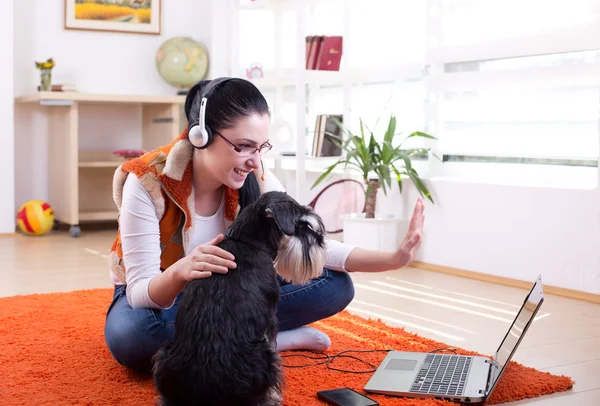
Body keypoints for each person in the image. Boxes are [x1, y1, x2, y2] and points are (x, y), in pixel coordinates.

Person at [103, 77, 425, 374]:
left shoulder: (254, 175)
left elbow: (315, 247)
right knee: (134, 335)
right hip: (165, 300)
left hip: (232, 294)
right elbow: (140, 292)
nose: (255, 160)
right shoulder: (146, 182)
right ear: (200, 135)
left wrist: (394, 259)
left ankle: (240, 341)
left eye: (261, 147)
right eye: (243, 146)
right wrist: (182, 270)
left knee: (337, 286)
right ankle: (270, 341)